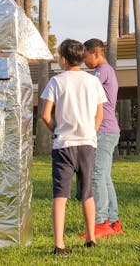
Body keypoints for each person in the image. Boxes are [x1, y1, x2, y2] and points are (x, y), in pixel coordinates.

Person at [40, 39, 106, 255]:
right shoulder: (93, 81)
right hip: (87, 143)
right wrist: (92, 131)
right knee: (87, 192)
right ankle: (91, 238)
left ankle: (59, 244)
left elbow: (44, 115)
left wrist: (57, 130)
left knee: (61, 195)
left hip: (64, 145)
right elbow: (100, 113)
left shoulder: (56, 82)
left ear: (64, 59)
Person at [83, 38, 122, 239]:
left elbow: (86, 90)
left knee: (97, 175)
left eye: (85, 56)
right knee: (104, 176)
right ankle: (114, 222)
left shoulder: (102, 71)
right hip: (109, 130)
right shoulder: (106, 71)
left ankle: (100, 223)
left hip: (103, 130)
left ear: (96, 53)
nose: (84, 61)